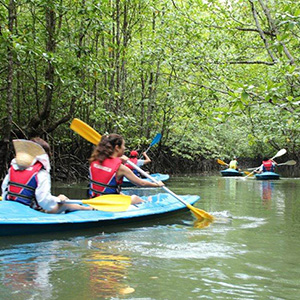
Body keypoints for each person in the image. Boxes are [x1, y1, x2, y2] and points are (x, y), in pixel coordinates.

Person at [1, 138, 94, 213]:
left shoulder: (13, 168)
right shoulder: (40, 172)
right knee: (65, 204)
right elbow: (44, 202)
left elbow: (4, 191)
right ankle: (89, 209)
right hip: (31, 211)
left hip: (11, 209)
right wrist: (58, 199)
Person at [88, 134, 164, 204]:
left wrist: (118, 158)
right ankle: (144, 202)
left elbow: (107, 165)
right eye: (123, 146)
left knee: (122, 195)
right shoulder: (121, 168)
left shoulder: (95, 160)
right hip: (109, 202)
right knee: (135, 198)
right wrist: (157, 184)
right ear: (117, 147)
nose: (124, 148)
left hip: (94, 199)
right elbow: (141, 183)